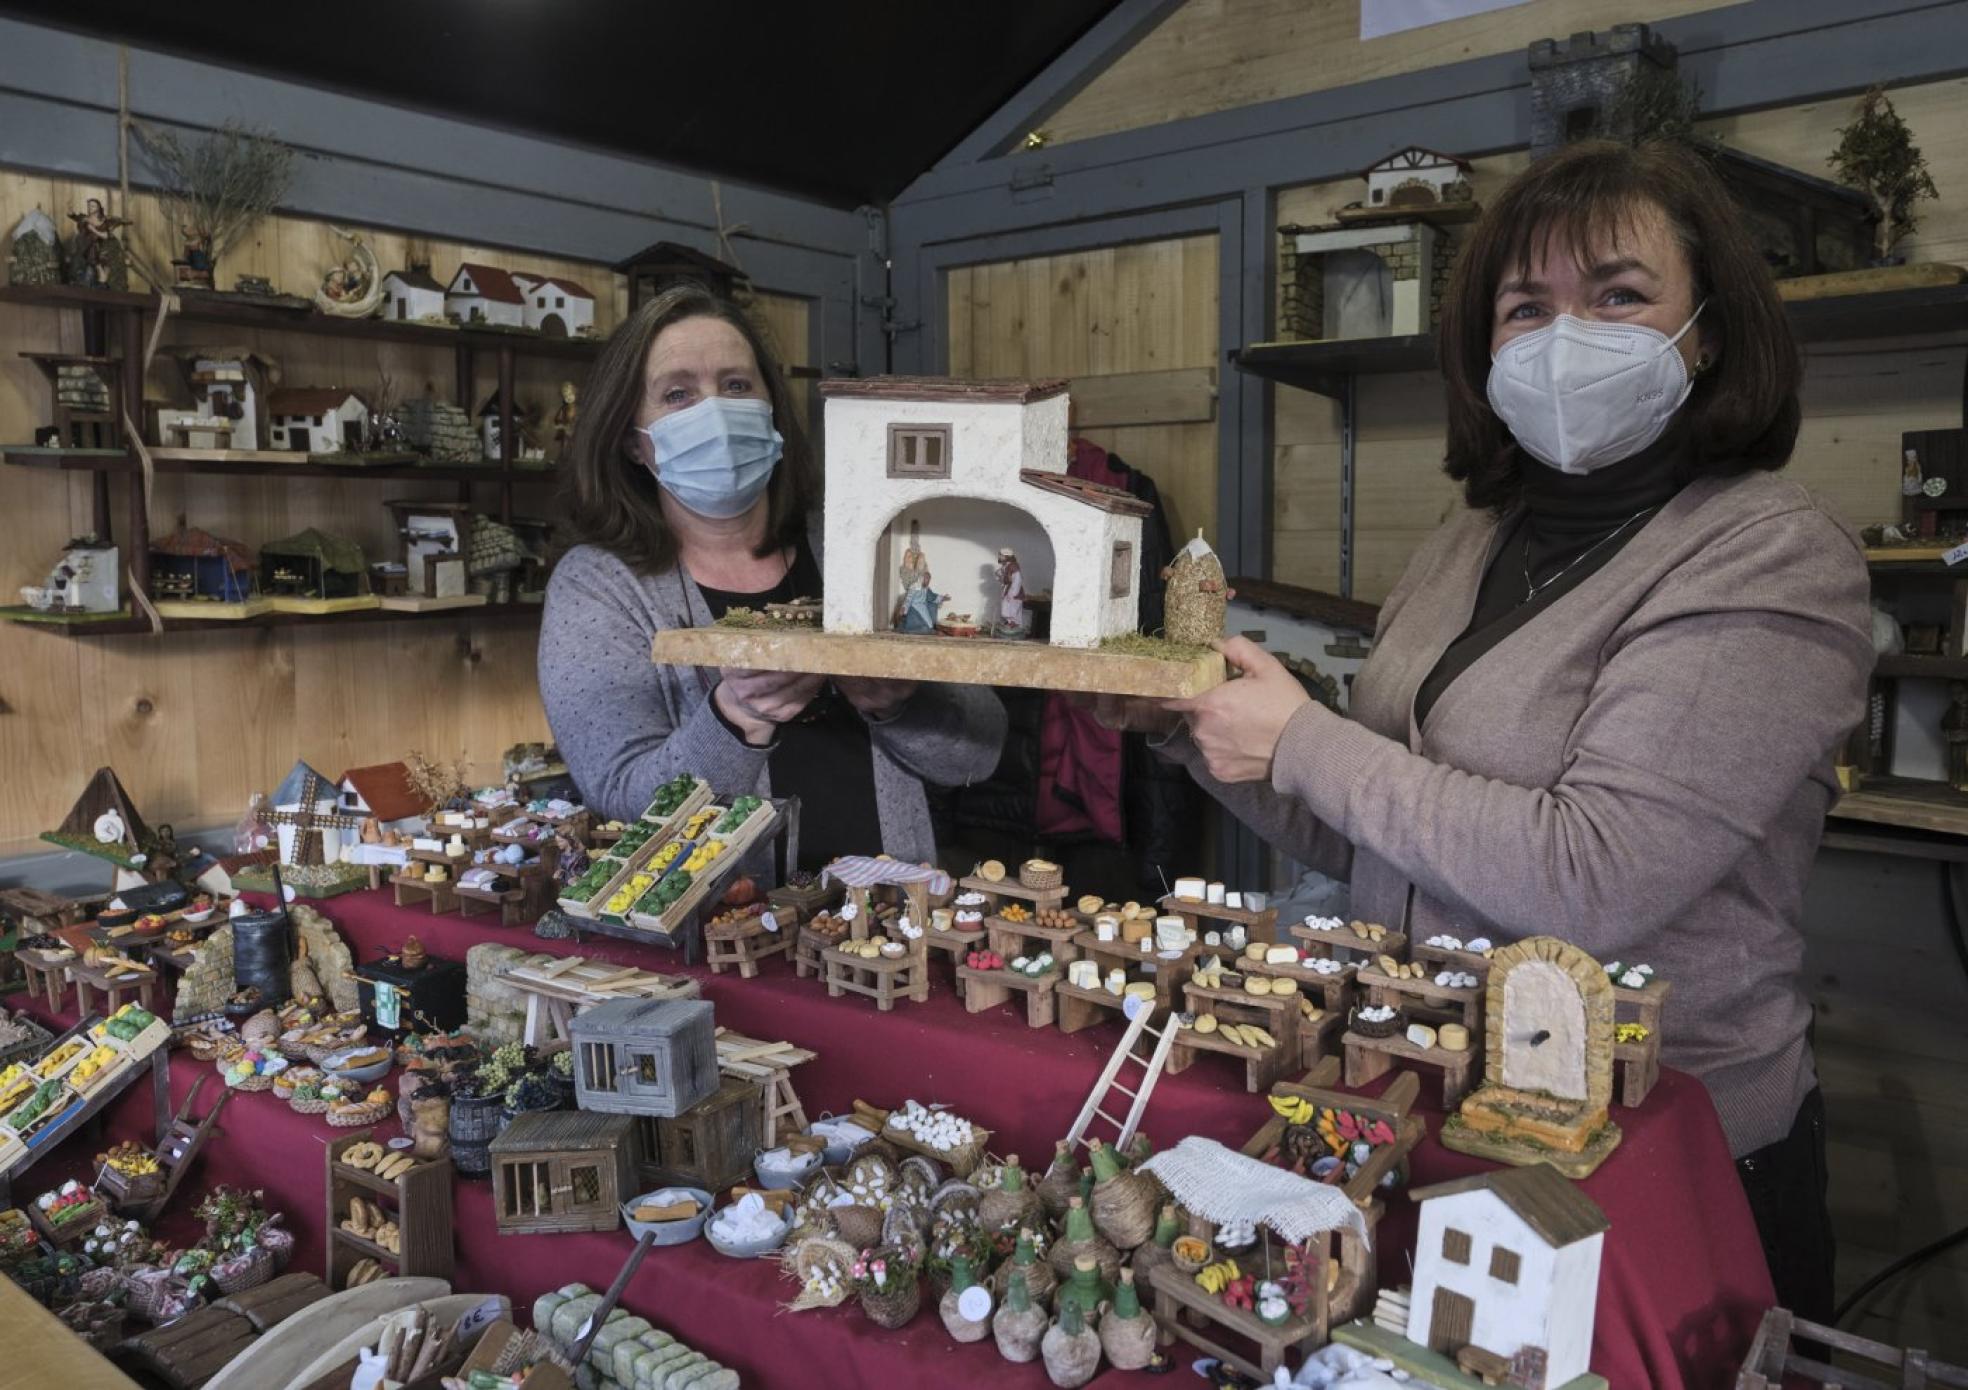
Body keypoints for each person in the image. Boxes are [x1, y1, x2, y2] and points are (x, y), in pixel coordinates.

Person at [1110, 140, 1870, 1323]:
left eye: (1619, 294)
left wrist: (1304, 735)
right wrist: (1194, 723)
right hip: (1428, 1098)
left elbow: (1594, 875)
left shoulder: (1771, 552)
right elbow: (1374, 831)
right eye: (1529, 307)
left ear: (1708, 328)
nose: (1569, 334)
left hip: (1657, 1147)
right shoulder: (1471, 537)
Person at [540, 285, 1005, 871]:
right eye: (677, 394)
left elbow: (980, 752)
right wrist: (737, 719)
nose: (714, 412)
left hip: (891, 913)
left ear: (772, 409)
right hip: (719, 934)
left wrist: (901, 706)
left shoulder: (860, 545)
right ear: (634, 441)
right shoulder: (599, 586)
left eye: (736, 386)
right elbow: (622, 803)